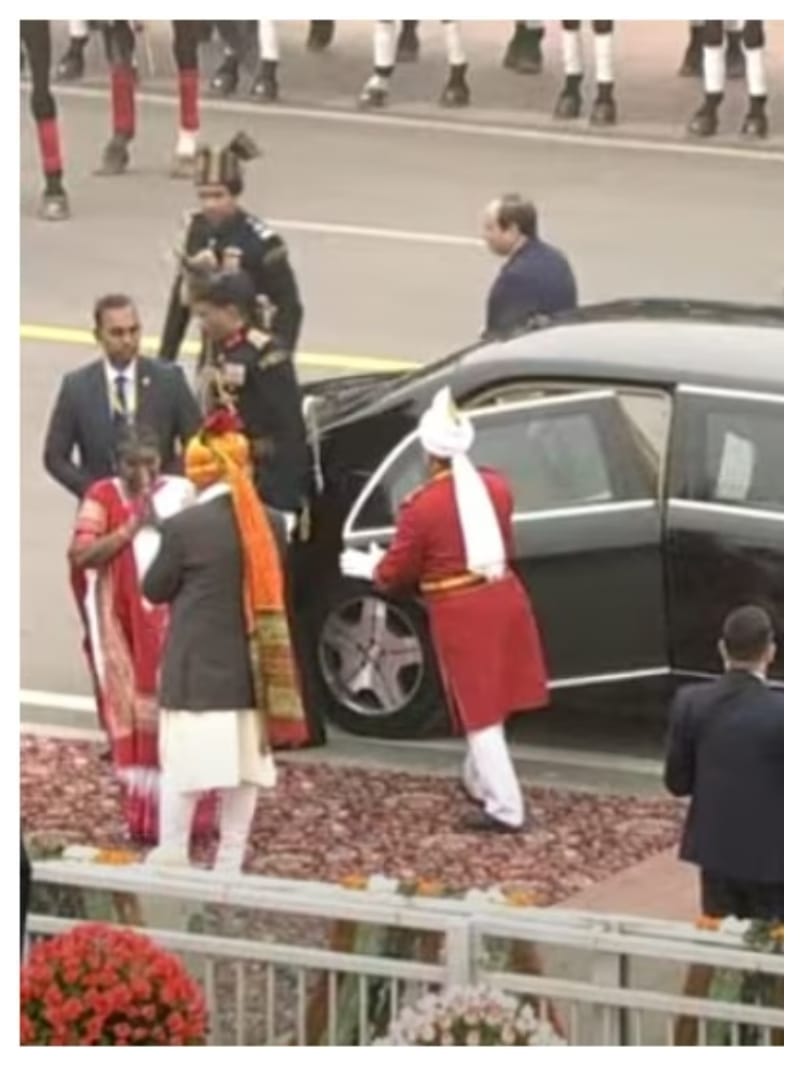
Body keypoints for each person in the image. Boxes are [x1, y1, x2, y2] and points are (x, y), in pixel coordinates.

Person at [341, 387, 549, 833]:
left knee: (479, 711)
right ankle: (478, 779)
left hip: (462, 612)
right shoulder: (496, 487)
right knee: (496, 699)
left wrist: (373, 567)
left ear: (428, 453)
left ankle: (505, 807)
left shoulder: (422, 507)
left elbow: (397, 572)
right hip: (505, 596)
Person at [142, 409, 310, 870]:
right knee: (245, 769)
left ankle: (173, 852)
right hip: (254, 668)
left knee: (185, 768)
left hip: (197, 669)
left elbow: (154, 588)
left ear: (199, 473)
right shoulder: (271, 523)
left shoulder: (184, 527)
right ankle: (231, 857)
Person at [68, 427, 195, 842]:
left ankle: (187, 817)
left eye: (150, 463)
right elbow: (81, 555)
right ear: (116, 464)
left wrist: (164, 527)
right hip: (122, 629)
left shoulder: (179, 493)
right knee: (135, 715)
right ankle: (144, 814)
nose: (142, 472)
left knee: (179, 718)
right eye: (131, 464)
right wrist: (130, 528)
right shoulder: (102, 496)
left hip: (174, 624)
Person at [664, 605, 783, 921]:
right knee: (773, 938)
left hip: (715, 851)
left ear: (721, 648)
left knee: (716, 932)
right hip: (775, 858)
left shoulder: (690, 702)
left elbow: (677, 782)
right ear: (770, 652)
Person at [159, 132, 303, 368]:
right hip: (212, 355)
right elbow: (181, 302)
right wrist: (165, 361)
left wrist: (278, 359)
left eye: (218, 196)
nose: (210, 205)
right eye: (203, 196)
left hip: (255, 356)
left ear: (235, 194)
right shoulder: (196, 231)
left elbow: (289, 308)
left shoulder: (262, 243)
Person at [43, 294, 201, 500]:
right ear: (98, 335)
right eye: (117, 333)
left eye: (133, 331)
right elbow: (55, 457)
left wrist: (165, 485)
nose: (127, 340)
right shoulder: (77, 387)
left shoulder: (169, 379)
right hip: (102, 509)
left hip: (161, 504)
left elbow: (197, 442)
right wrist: (95, 491)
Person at [192, 272, 310, 520]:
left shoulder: (267, 355)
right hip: (229, 474)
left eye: (206, 315)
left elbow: (288, 427)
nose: (202, 323)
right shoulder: (221, 348)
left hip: (266, 482)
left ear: (231, 312)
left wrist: (281, 494)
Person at [482, 194, 578, 340]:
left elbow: (501, 337)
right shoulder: (557, 259)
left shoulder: (514, 279)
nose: (484, 235)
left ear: (512, 230)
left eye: (490, 228)